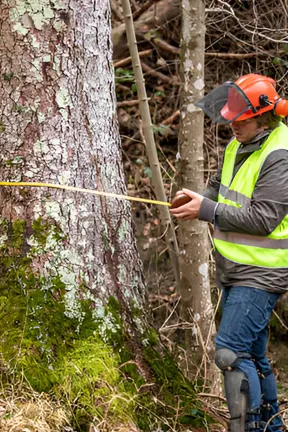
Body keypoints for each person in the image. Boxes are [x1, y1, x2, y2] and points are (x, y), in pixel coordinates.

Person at [171, 74, 288, 432]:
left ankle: (249, 429)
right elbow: (220, 189)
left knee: (230, 353)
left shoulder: (280, 156)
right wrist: (196, 198)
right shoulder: (239, 144)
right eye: (231, 118)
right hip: (235, 268)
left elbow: (264, 218)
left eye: (242, 119)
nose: (233, 125)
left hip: (262, 271)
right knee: (252, 355)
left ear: (264, 117)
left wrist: (205, 210)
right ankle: (271, 427)